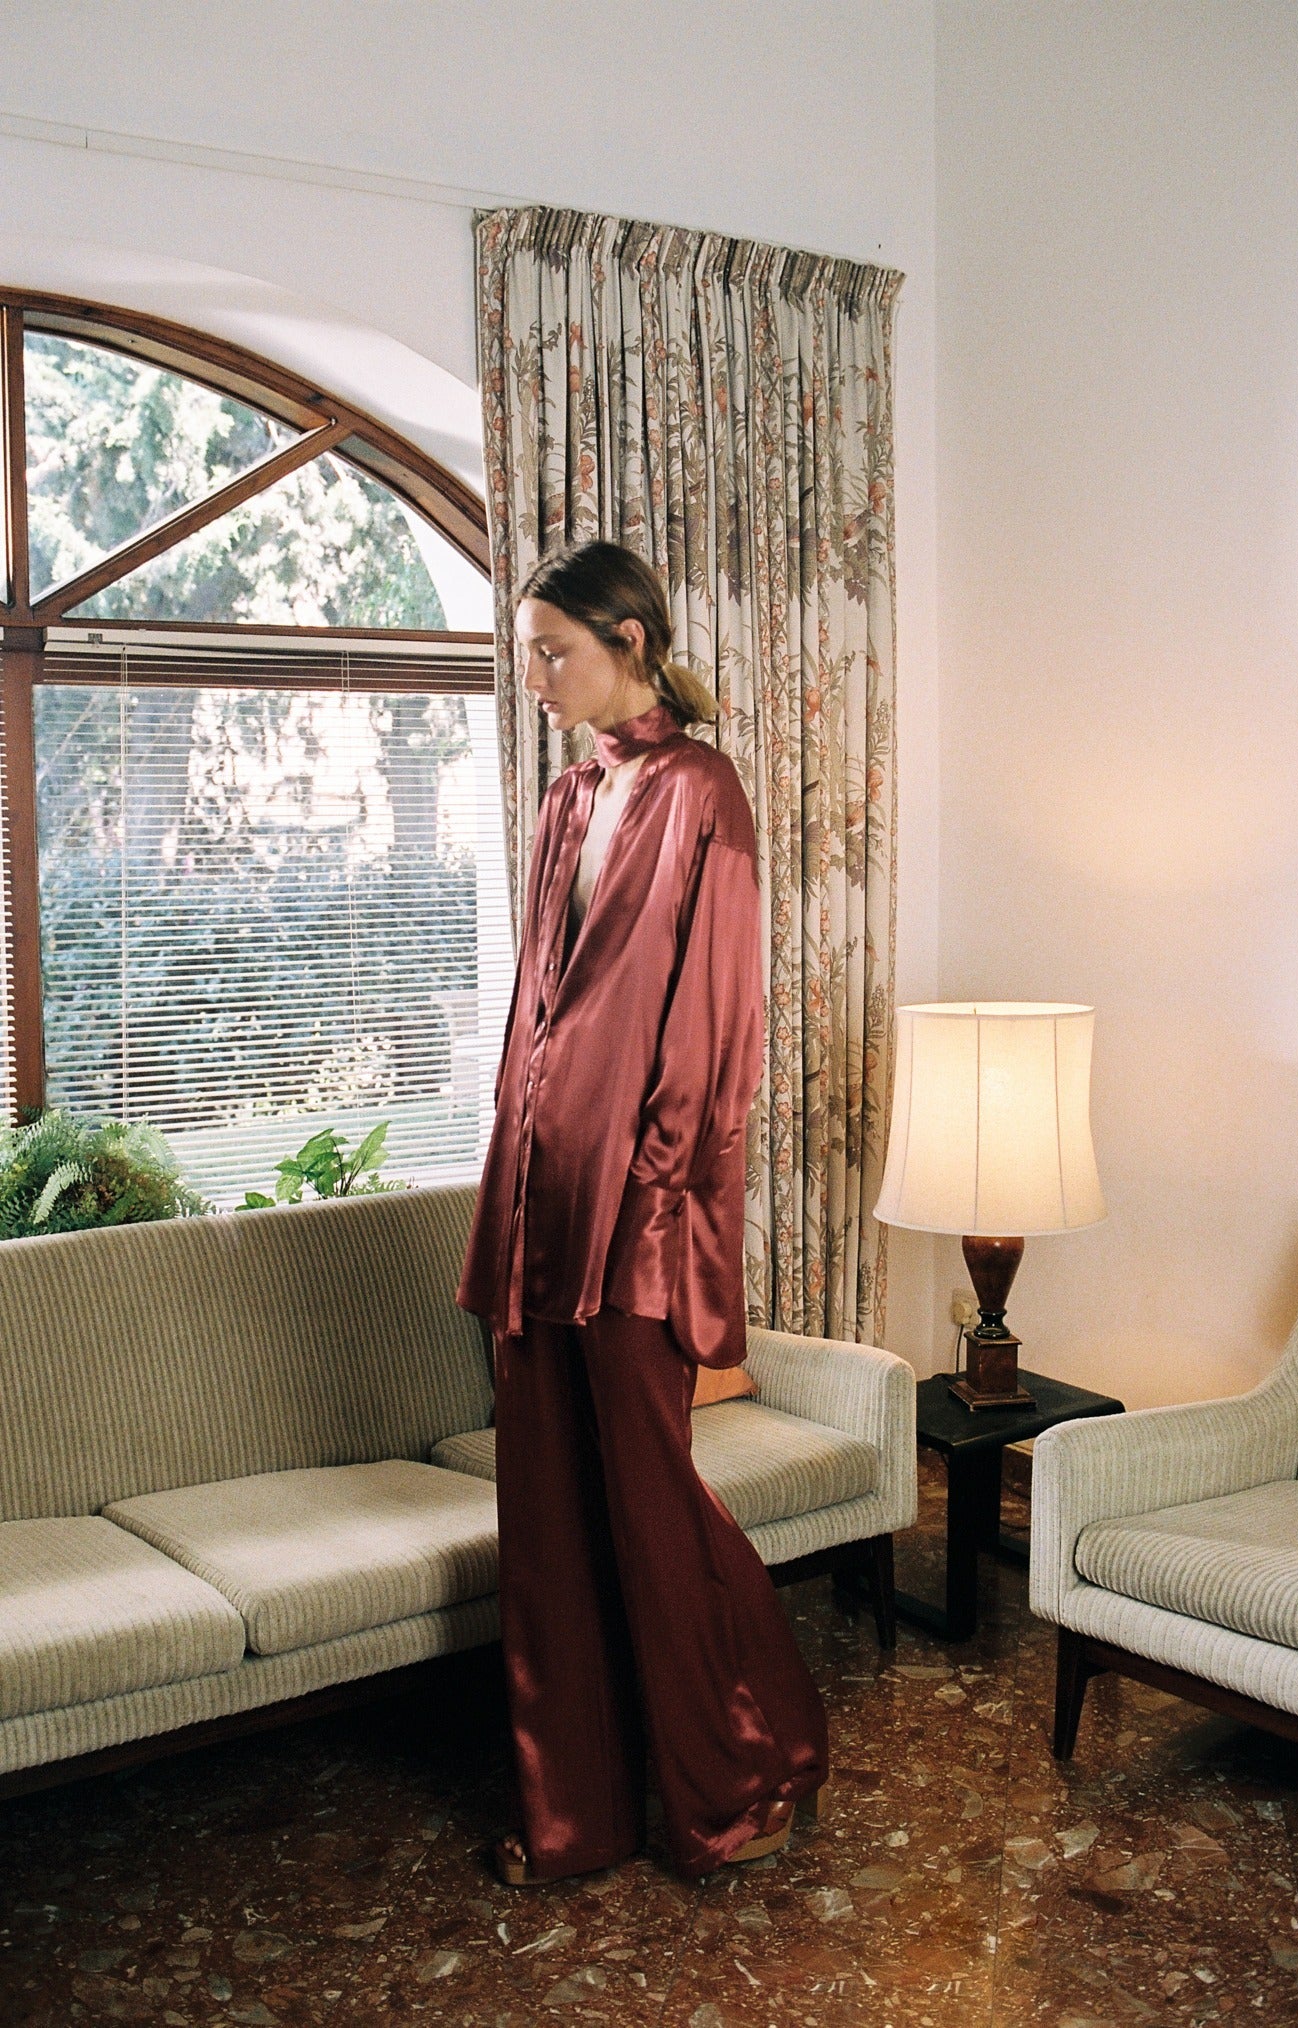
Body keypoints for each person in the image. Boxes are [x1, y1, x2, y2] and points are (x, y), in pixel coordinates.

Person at [456, 540, 829, 1886]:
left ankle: (744, 1769)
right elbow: (536, 1018)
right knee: (550, 1520)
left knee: (653, 1505)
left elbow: (714, 1035)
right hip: (537, 1205)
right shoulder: (569, 797)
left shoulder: (702, 792)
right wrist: (512, 1191)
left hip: (634, 1220)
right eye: (526, 654)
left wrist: (656, 1210)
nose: (535, 678)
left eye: (553, 652)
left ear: (629, 640)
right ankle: (580, 1816)